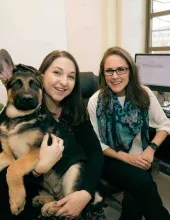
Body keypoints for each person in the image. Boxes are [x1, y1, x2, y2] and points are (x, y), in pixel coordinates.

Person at [0, 50, 106, 220]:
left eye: (71, 77)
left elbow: (94, 153)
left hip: (74, 183)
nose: (64, 82)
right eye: (57, 72)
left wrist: (85, 193)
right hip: (34, 193)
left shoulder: (76, 112)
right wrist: (38, 169)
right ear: (43, 75)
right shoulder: (18, 117)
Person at [88, 46, 170, 220]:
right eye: (109, 71)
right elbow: (97, 144)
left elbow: (164, 125)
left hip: (141, 158)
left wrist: (150, 149)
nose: (115, 76)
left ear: (130, 71)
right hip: (111, 159)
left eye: (121, 69)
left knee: (133, 205)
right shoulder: (96, 101)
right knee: (144, 183)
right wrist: (128, 158)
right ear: (103, 74)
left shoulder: (144, 94)